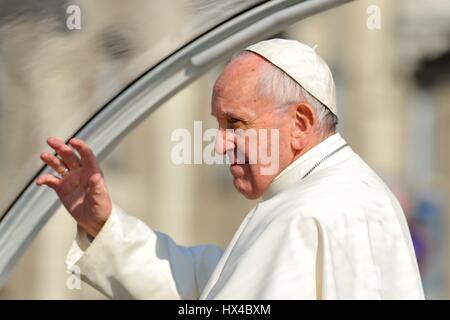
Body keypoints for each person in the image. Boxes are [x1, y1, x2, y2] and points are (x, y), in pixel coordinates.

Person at [36, 39, 424, 299]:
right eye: (218, 126)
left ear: (301, 123)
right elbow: (209, 285)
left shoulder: (307, 212)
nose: (219, 144)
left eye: (235, 124)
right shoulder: (339, 192)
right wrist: (104, 225)